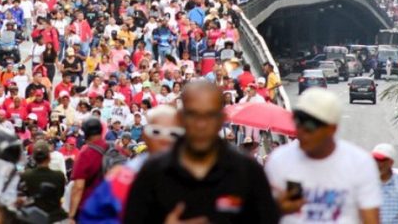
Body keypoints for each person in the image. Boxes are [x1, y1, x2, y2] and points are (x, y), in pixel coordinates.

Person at [124, 81, 279, 223]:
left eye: (209, 116)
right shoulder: (154, 172)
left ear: (221, 119)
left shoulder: (247, 171)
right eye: (193, 115)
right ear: (181, 118)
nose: (201, 124)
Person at [265, 88, 382, 223]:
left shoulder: (360, 164)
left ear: (332, 129)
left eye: (309, 127)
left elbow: (371, 219)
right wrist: (277, 210)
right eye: (298, 123)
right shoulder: (279, 160)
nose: (301, 132)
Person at [81, 105, 181, 223]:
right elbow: (92, 217)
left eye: (173, 133)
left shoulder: (197, 175)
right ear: (145, 136)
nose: (165, 139)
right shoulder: (122, 178)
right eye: (156, 131)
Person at [68, 117, 108, 222]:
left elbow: (78, 187)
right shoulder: (115, 149)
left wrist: (72, 215)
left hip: (90, 208)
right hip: (112, 207)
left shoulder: (85, 152)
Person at [20, 140, 67, 223]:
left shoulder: (26, 175)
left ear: (34, 157)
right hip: (54, 217)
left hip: (33, 216)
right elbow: (60, 194)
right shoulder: (59, 176)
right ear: (49, 157)